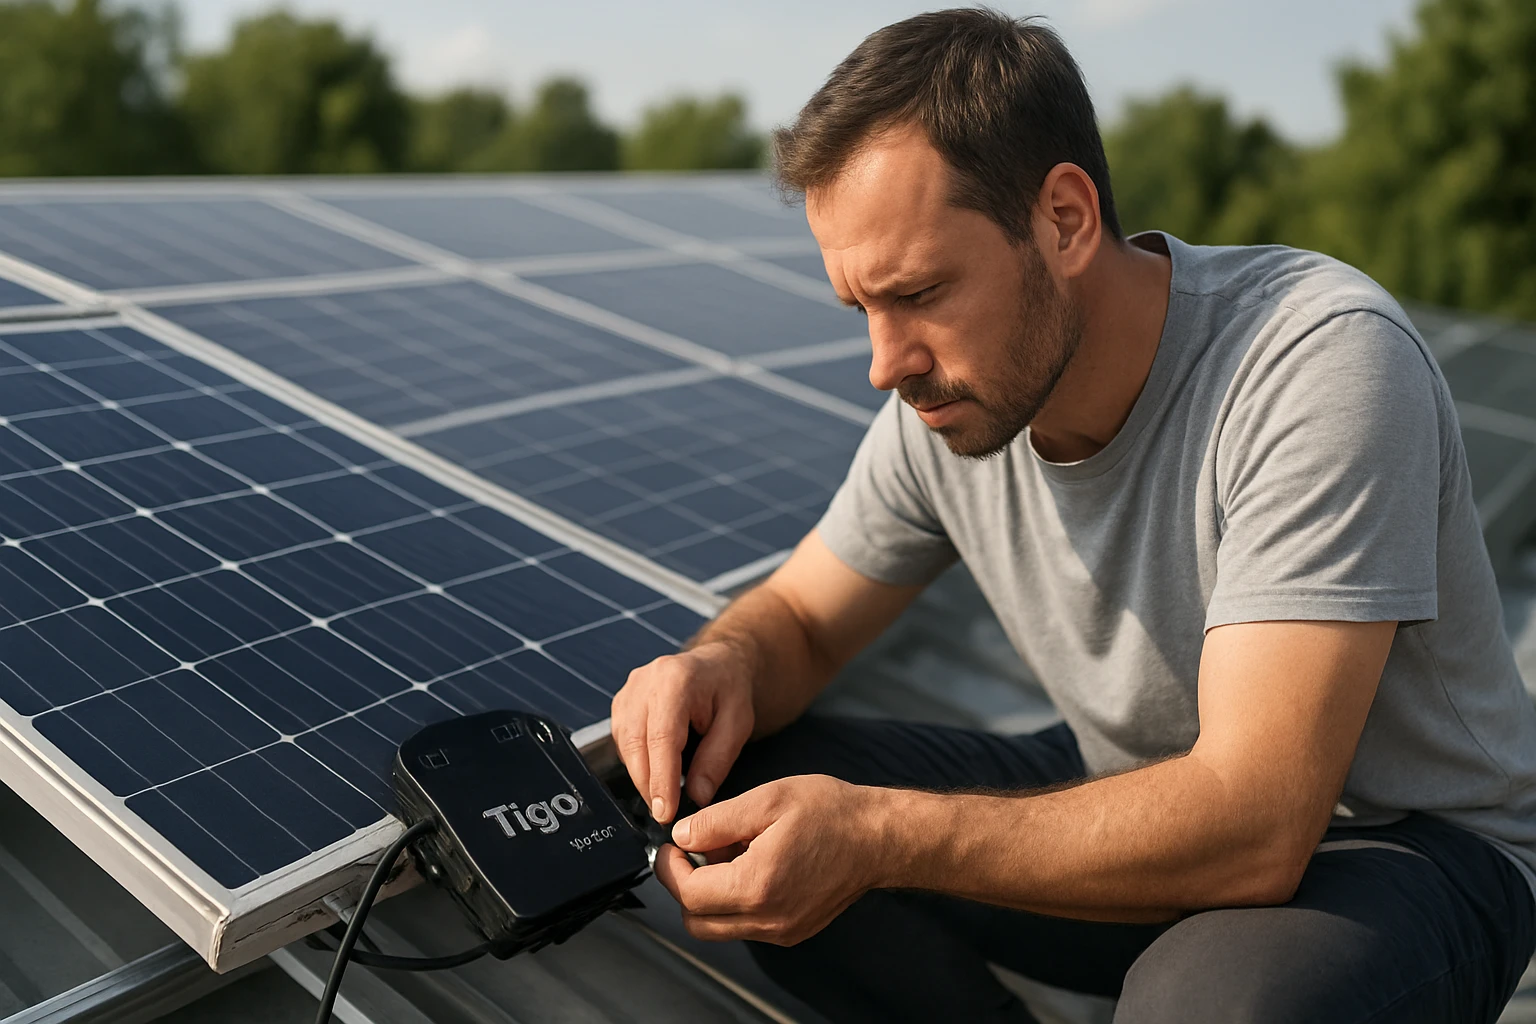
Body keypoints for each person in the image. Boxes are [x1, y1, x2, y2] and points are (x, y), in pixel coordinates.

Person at [609, 9, 1536, 1022]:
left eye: (919, 291)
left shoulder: (1315, 361)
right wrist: (721, 665)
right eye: (861, 309)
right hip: (1136, 785)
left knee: (1218, 1005)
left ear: (1064, 218)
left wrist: (881, 833)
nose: (886, 363)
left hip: (1399, 849)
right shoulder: (953, 405)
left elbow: (1260, 823)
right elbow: (799, 617)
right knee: (737, 794)